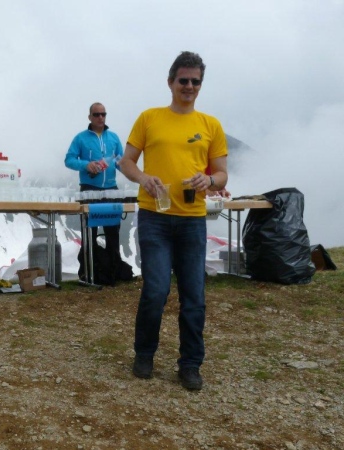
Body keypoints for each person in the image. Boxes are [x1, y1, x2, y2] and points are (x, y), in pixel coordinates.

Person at [119, 51, 228, 390]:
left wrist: (209, 180)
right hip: (155, 217)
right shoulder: (149, 118)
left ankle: (190, 364)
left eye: (196, 81)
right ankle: (144, 354)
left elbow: (222, 174)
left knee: (194, 296)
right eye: (184, 80)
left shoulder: (210, 125)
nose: (189, 86)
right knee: (156, 290)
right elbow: (126, 162)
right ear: (170, 82)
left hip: (193, 220)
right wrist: (144, 178)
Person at [65, 103, 124, 279]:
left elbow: (121, 161)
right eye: (96, 114)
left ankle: (114, 272)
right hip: (89, 189)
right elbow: (69, 160)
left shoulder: (113, 137)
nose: (100, 117)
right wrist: (86, 165)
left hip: (111, 189)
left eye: (103, 114)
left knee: (113, 232)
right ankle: (87, 272)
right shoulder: (80, 138)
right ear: (89, 117)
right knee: (89, 232)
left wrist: (132, 170)